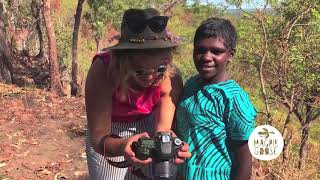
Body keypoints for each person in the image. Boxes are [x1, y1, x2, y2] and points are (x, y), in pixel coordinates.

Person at [85, 8, 191, 180]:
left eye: (159, 69)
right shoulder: (103, 71)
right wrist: (122, 146)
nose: (150, 78)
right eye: (139, 71)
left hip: (147, 123)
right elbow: (99, 139)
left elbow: (162, 129)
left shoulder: (170, 77)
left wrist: (168, 144)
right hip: (111, 128)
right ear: (123, 62)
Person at [175, 17, 257, 180]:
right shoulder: (191, 84)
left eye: (216, 51)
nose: (206, 57)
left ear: (230, 55)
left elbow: (244, 160)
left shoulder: (234, 99)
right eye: (200, 50)